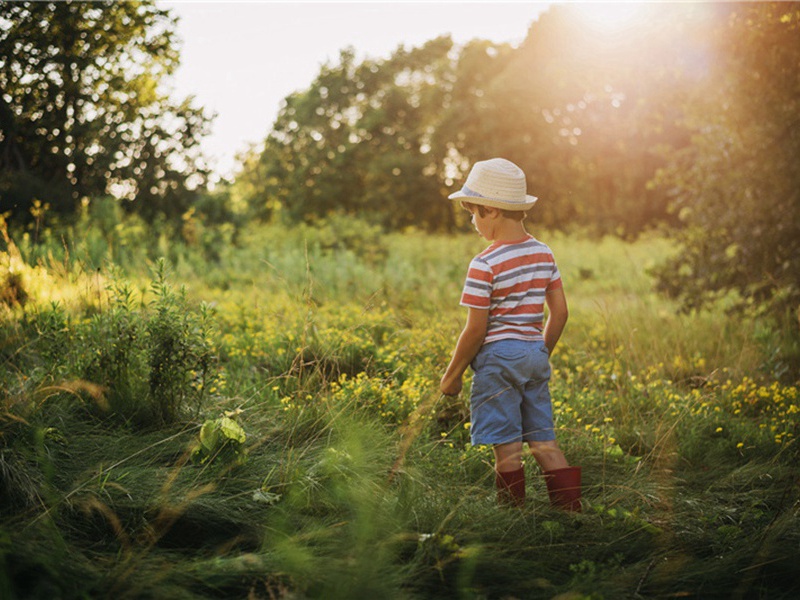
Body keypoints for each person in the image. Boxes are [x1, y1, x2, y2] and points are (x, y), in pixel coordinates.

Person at [439, 157, 581, 511]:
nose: (472, 221)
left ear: (491, 210)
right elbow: (560, 313)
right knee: (545, 444)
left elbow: (476, 330)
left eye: (472, 211)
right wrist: (539, 350)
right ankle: (573, 514)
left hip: (498, 362)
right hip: (535, 356)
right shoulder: (544, 253)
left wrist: (452, 375)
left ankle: (512, 519)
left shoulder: (484, 264)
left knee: (508, 448)